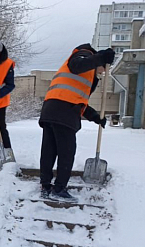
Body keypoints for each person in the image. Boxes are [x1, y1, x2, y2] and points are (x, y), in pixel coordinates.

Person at [39, 44, 115, 202]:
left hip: (51, 110)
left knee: (49, 150)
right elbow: (77, 65)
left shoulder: (84, 70)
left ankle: (45, 186)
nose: (102, 73)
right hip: (64, 113)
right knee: (66, 152)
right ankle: (59, 188)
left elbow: (77, 99)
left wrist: (95, 116)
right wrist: (102, 57)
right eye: (103, 69)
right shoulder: (82, 55)